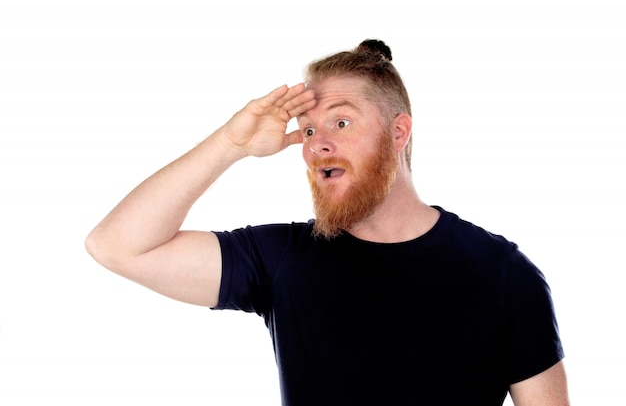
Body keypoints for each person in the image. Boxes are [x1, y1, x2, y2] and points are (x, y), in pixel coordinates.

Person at [85, 39, 570, 405]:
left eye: (341, 122)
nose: (317, 144)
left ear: (398, 131)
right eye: (310, 129)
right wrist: (230, 145)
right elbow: (118, 246)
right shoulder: (283, 258)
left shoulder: (504, 274)